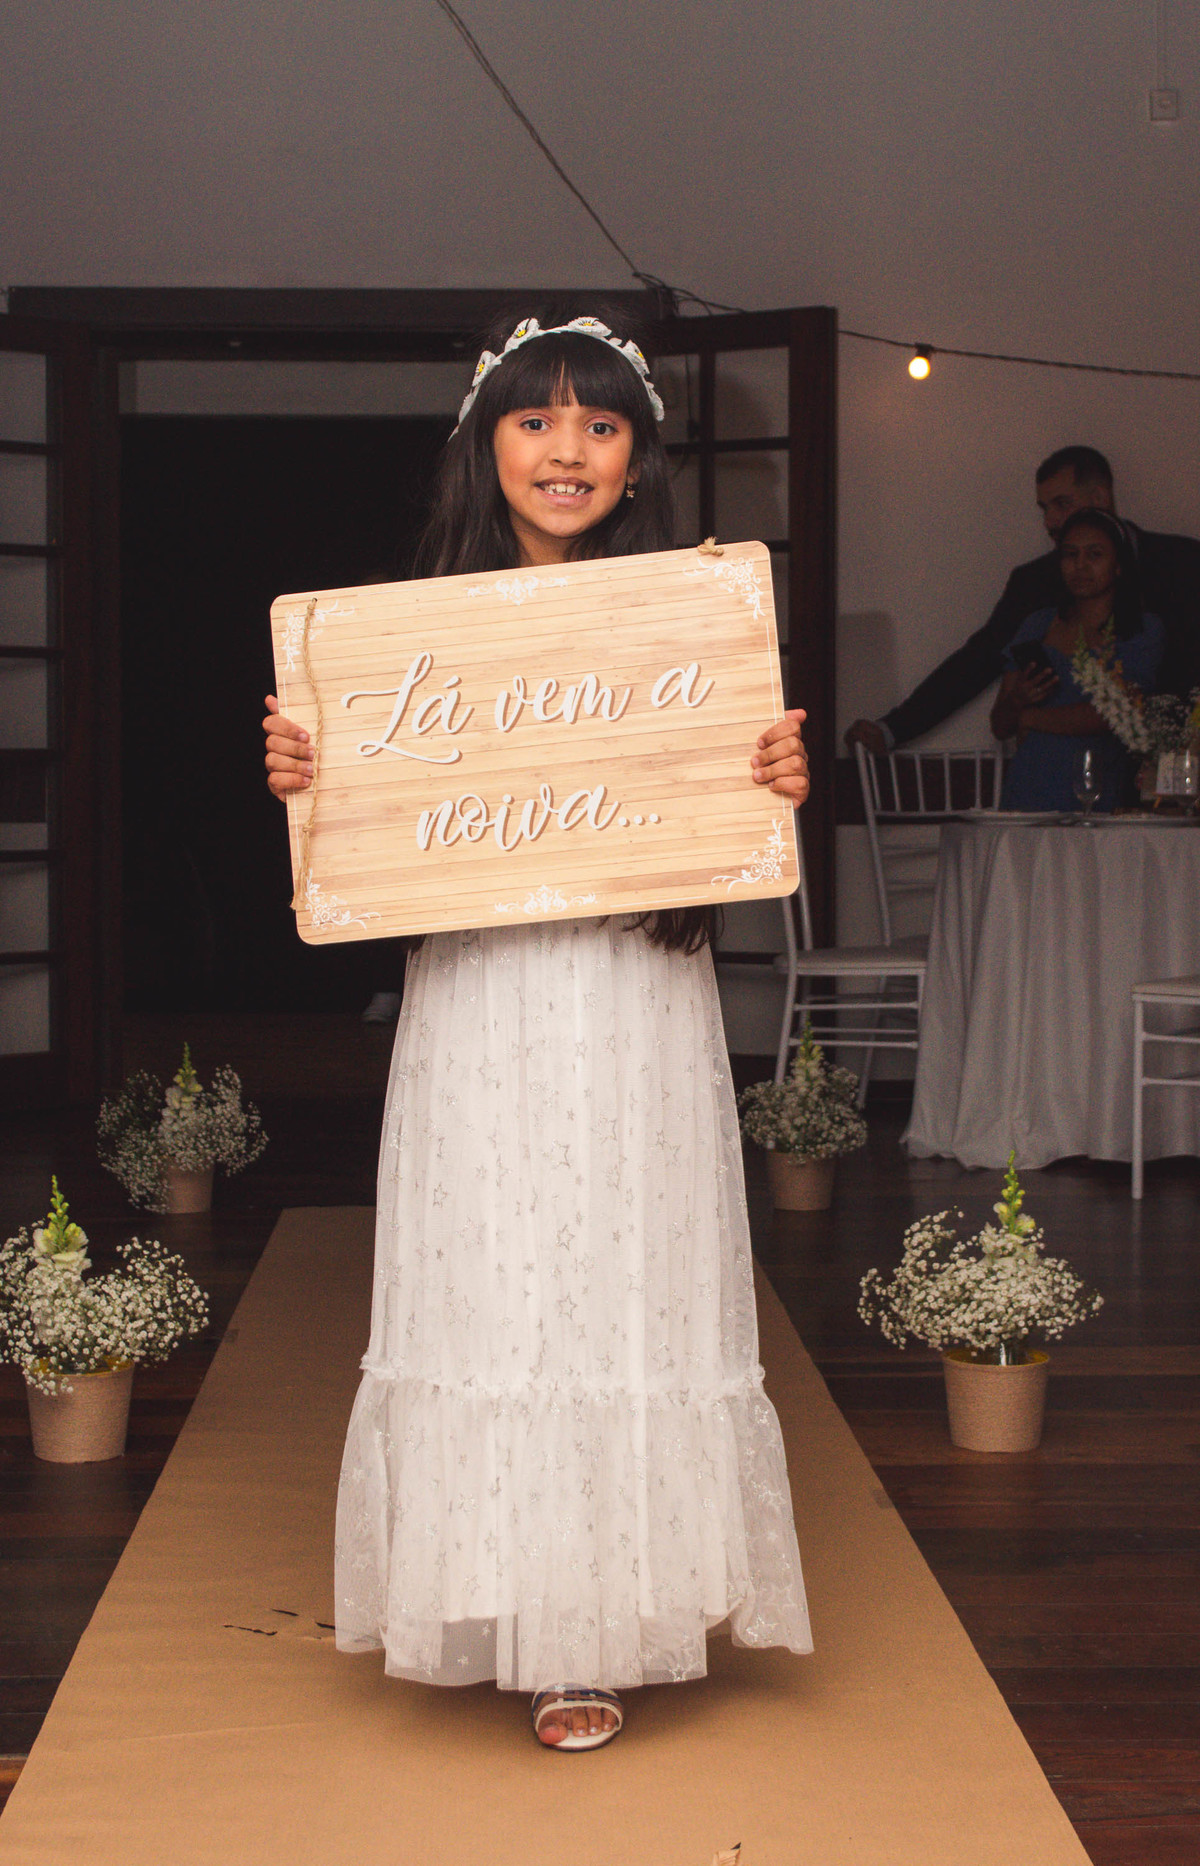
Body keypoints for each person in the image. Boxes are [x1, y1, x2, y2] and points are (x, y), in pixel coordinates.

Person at [262, 307, 814, 1753]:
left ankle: (598, 1629)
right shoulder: (408, 635)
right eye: (536, 418)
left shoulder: (690, 619)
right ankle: (504, 1597)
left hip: (633, 997)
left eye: (601, 423)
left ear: (636, 459)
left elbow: (722, 805)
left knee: (624, 1272)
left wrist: (767, 770)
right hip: (481, 998)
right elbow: (371, 823)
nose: (567, 449)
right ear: (486, 444)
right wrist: (315, 773)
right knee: (493, 1273)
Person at [846, 445, 1200, 754]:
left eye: (1061, 504)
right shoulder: (1036, 582)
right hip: (1062, 761)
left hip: (1180, 760)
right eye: (1044, 508)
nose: (1050, 521)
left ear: (1099, 498)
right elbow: (979, 659)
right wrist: (893, 729)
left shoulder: (1185, 563)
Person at [991, 507, 1166, 811]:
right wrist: (1018, 701)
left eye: (1094, 555)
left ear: (1118, 565)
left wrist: (1031, 718)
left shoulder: (1141, 629)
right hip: (1028, 786)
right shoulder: (1037, 624)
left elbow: (1113, 713)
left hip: (1094, 789)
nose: (1080, 565)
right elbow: (999, 725)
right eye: (1070, 555)